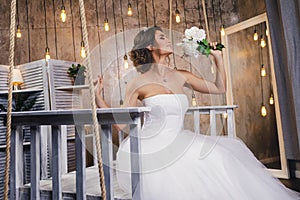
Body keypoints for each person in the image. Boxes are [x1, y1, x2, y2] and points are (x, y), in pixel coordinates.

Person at [94, 26, 300, 200]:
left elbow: (219, 88)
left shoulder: (182, 76)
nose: (168, 40)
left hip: (180, 138)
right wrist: (98, 96)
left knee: (221, 155)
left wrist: (217, 58)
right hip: (149, 145)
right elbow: (120, 123)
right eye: (162, 37)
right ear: (150, 46)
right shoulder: (137, 82)